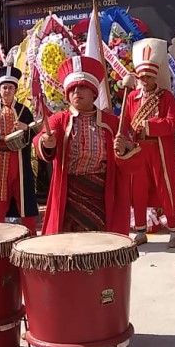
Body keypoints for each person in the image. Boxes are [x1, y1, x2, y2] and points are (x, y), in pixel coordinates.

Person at [34, 56, 130, 235]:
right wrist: (47, 143)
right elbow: (42, 138)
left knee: (100, 243)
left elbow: (130, 159)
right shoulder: (59, 120)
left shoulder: (112, 122)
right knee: (69, 245)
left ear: (94, 92)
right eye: (72, 89)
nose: (77, 92)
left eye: (83, 87)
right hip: (68, 193)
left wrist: (124, 148)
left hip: (101, 193)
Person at [121, 38, 175, 247]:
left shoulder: (165, 98)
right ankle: (140, 230)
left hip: (159, 148)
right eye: (141, 76)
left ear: (155, 76)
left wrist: (148, 125)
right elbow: (126, 125)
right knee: (137, 189)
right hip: (139, 149)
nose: (144, 79)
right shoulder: (131, 98)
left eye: (147, 76)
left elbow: (172, 123)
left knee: (166, 186)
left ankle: (173, 231)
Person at [0, 65, 39, 234]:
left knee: (22, 195)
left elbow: (35, 133)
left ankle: (30, 233)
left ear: (15, 90)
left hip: (18, 160)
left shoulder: (23, 111)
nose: (7, 91)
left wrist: (26, 128)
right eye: (4, 88)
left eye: (11, 88)